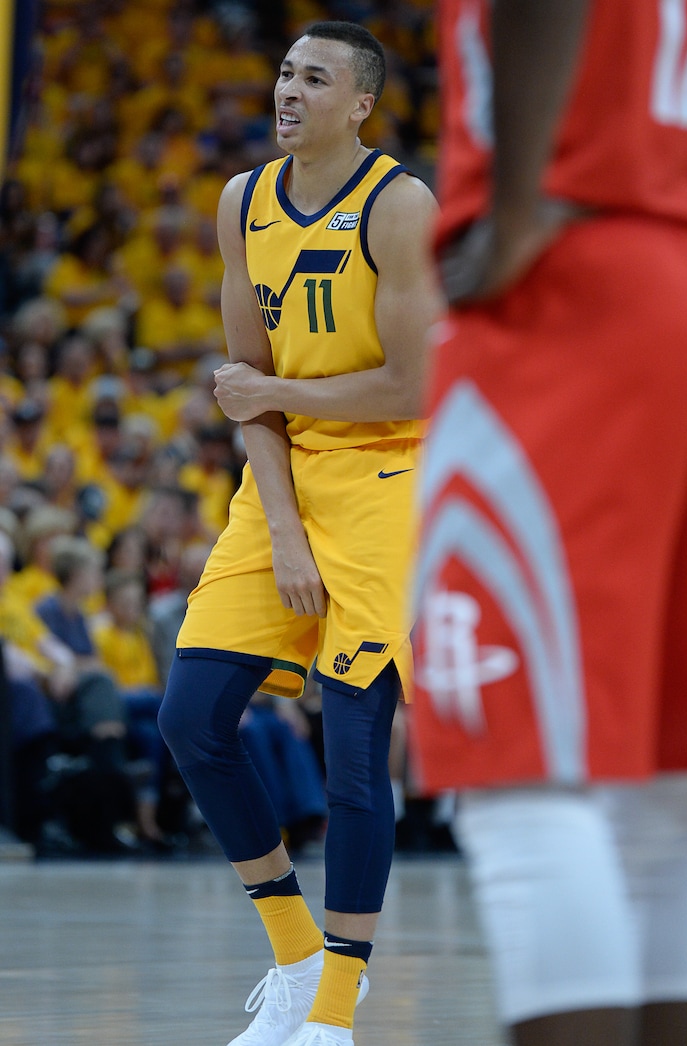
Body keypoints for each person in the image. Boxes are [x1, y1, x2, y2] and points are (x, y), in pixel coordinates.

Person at [410, 3, 687, 1046]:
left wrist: (521, 203)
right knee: (669, 793)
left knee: (514, 765)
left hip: (574, 274)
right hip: (677, 263)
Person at [158, 19, 438, 1046]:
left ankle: (332, 1015)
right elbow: (247, 405)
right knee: (191, 719)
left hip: (386, 476)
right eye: (283, 72)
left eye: (313, 79)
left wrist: (269, 388)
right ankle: (294, 953)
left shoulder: (400, 205)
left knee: (355, 758)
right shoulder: (241, 203)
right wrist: (280, 529)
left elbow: (411, 381)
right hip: (283, 478)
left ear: (360, 103)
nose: (287, 90)